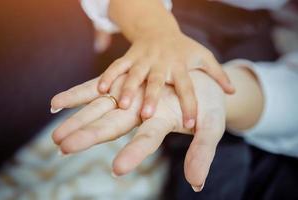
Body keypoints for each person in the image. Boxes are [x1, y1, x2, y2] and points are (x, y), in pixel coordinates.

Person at [51, 0, 298, 199]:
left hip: (257, 24)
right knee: (203, 141)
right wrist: (155, 29)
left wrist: (225, 98)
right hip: (166, 12)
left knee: (219, 128)